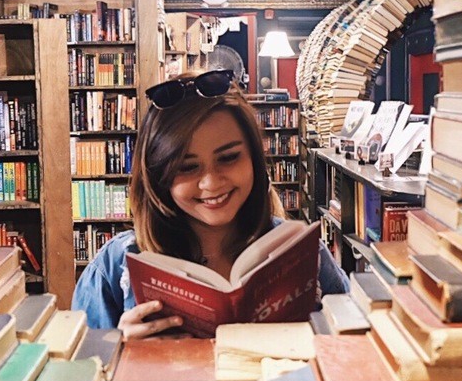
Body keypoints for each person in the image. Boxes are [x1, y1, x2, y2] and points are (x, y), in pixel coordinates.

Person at [71, 68, 349, 340]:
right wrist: (122, 351)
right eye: (187, 167)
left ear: (253, 158)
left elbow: (353, 346)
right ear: (158, 176)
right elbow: (82, 376)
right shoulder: (115, 265)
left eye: (228, 158)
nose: (211, 183)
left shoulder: (303, 253)